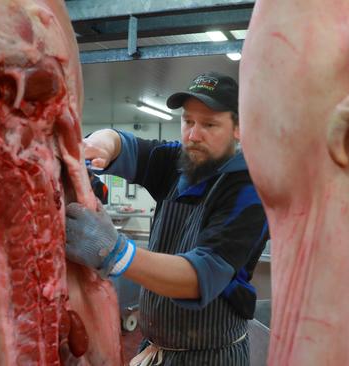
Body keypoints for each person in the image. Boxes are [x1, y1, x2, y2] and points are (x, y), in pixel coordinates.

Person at [64, 71, 269, 365]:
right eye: (188, 121)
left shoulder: (249, 188)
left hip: (211, 356)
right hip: (159, 349)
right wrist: (102, 145)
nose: (193, 135)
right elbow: (124, 143)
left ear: (238, 128)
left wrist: (116, 253)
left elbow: (200, 278)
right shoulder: (179, 161)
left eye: (209, 124)